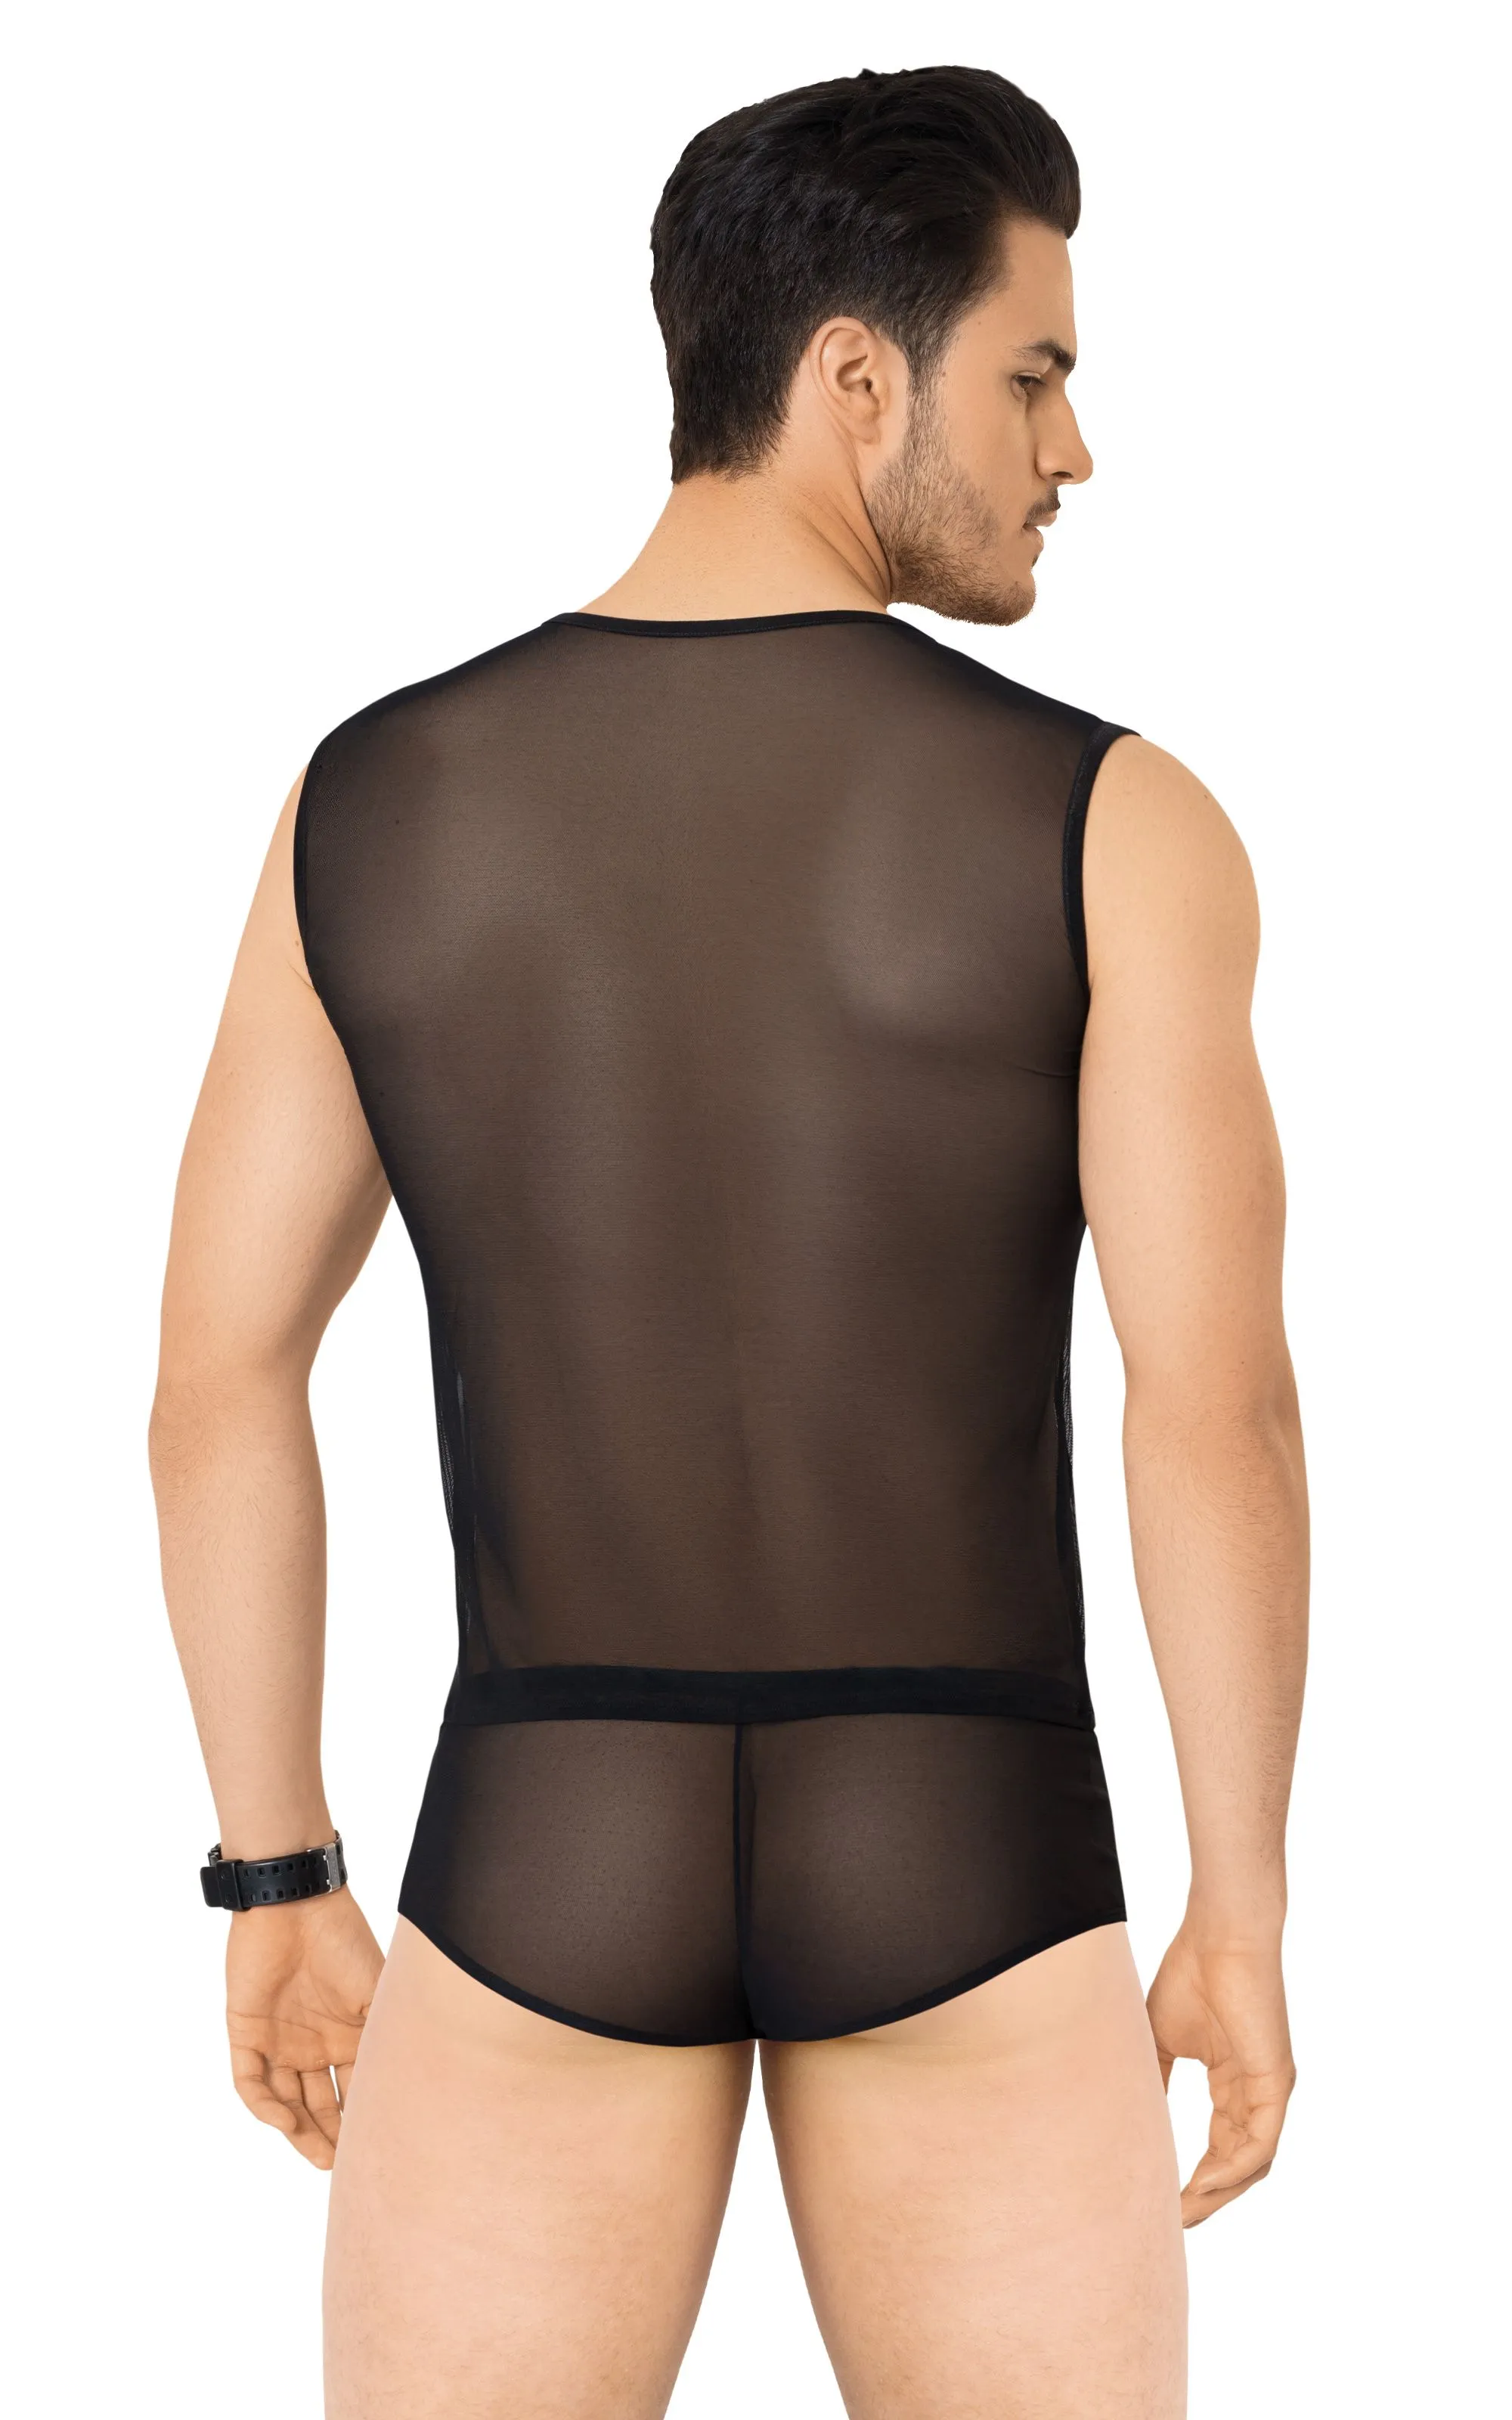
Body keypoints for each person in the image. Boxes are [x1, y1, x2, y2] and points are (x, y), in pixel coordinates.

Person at [150, 64, 1307, 2419]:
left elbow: (216, 1383)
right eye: (1035, 374)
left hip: (546, 1838)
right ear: (854, 376)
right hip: (969, 1835)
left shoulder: (373, 802)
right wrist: (1241, 1904)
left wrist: (278, 1873)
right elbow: (1216, 1412)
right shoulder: (1113, 820)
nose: (1072, 451)